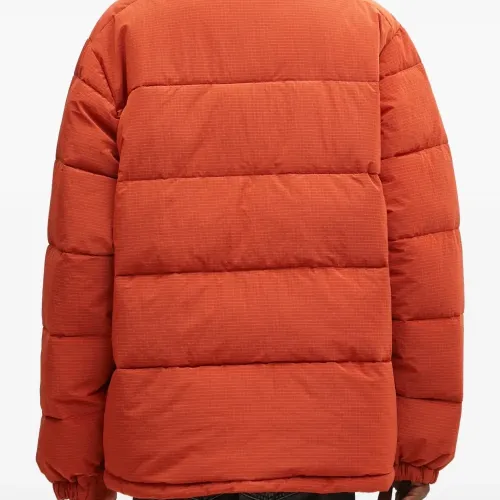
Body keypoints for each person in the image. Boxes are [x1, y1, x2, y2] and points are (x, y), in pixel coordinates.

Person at [36, 0, 464, 499]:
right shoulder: (371, 32)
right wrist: (418, 450)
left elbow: (79, 269)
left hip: (173, 436)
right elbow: (425, 260)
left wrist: (77, 464)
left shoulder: (125, 33)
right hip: (331, 431)